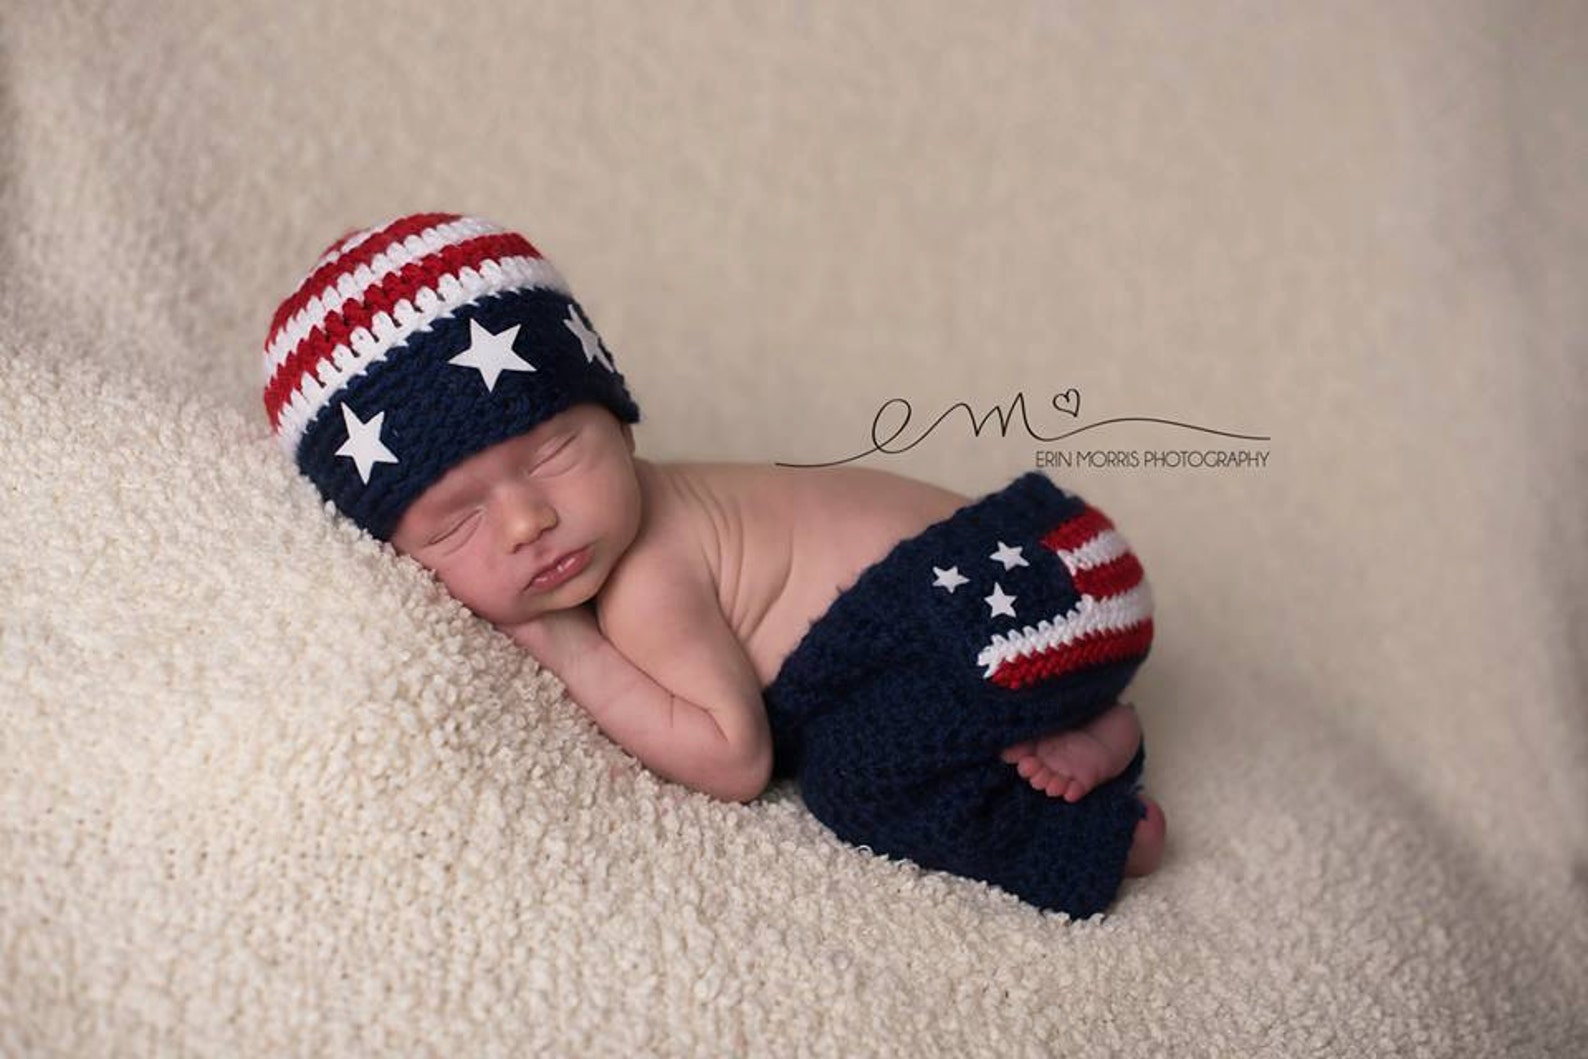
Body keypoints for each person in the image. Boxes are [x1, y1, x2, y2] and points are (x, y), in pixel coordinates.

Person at [262, 212, 1166, 916]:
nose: (528, 520)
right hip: (1057, 569)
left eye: (551, 455)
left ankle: (1091, 834)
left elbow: (736, 760)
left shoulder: (649, 576)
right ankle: (1093, 725)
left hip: (1015, 598)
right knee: (895, 713)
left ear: (617, 416)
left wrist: (559, 642)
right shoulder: (638, 520)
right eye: (457, 521)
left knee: (860, 777)